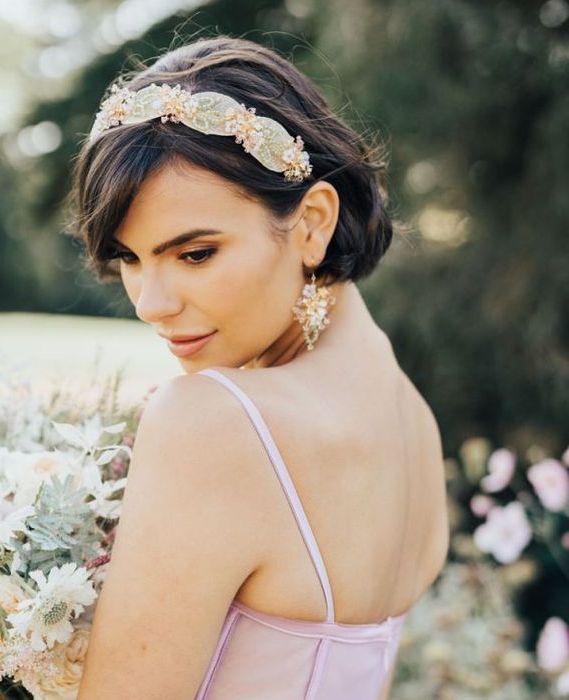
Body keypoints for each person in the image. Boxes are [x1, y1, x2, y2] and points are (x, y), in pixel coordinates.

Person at [67, 35, 449, 699]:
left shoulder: (215, 422)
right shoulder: (415, 424)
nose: (150, 305)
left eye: (194, 254)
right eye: (129, 259)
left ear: (312, 224)